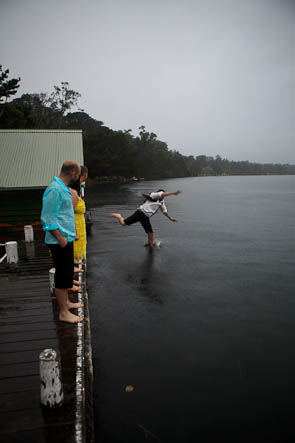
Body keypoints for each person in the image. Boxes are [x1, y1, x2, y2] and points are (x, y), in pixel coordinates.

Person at [41, 160, 84, 323]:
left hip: (66, 238)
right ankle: (63, 313)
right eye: (78, 174)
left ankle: (66, 303)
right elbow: (47, 218)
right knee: (61, 276)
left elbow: (64, 215)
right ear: (73, 173)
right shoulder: (54, 189)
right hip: (59, 240)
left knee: (66, 274)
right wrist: (61, 238)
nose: (78, 178)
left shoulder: (63, 188)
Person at [110, 189, 182, 248]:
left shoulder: (162, 202)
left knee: (150, 233)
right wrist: (174, 193)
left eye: (164, 196)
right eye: (162, 194)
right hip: (140, 213)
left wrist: (170, 218)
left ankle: (151, 246)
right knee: (123, 223)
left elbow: (164, 211)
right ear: (159, 193)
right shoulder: (154, 195)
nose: (163, 196)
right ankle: (119, 216)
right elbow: (162, 194)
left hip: (146, 218)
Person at [69, 176, 87, 263]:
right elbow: (70, 213)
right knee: (74, 244)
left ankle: (74, 260)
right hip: (75, 224)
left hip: (79, 224)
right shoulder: (72, 194)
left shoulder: (75, 193)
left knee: (78, 245)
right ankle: (72, 261)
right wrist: (74, 232)